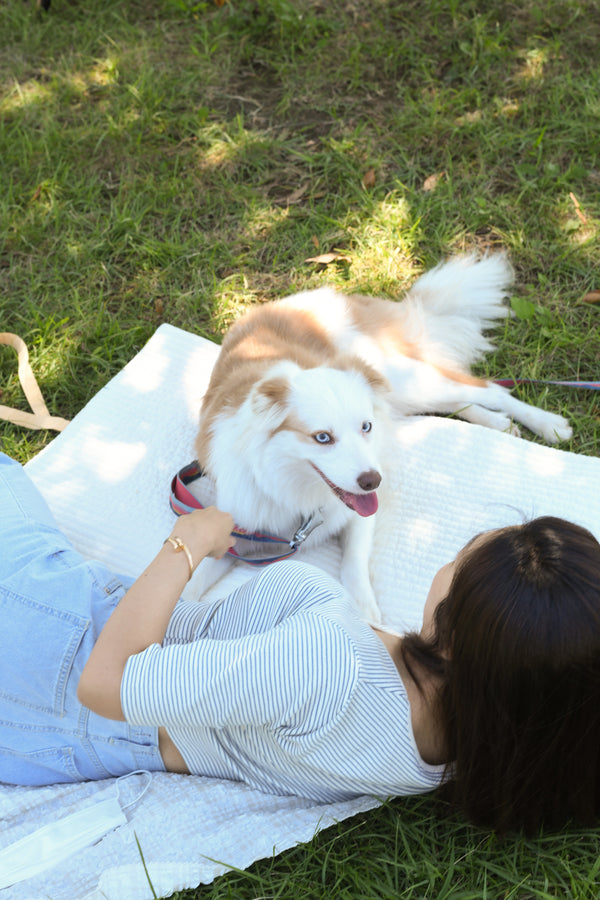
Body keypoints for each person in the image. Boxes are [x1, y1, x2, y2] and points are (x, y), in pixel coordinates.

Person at [1, 452, 600, 834]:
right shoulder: (470, 740)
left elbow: (105, 683)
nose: (443, 565)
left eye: (455, 561)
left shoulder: (324, 664)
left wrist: (188, 542)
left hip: (62, 641)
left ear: (454, 636)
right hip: (56, 746)